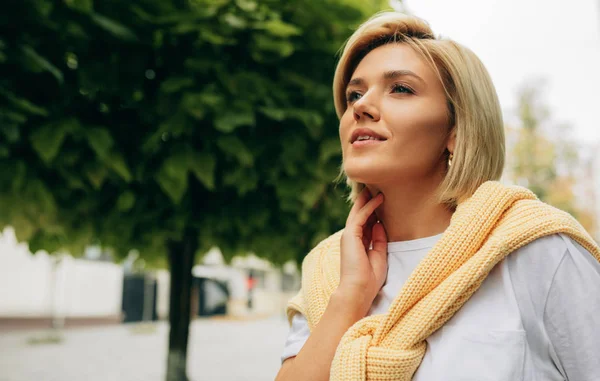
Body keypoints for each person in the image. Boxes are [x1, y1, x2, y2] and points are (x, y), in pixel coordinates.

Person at [274, 11, 600, 381]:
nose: (360, 107)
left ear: (456, 130)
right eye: (353, 94)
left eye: (401, 88)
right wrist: (350, 295)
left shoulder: (535, 249)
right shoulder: (326, 269)